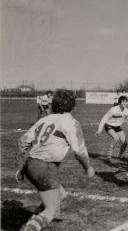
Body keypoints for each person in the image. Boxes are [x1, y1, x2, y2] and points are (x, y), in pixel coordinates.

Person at [15, 89, 95, 231]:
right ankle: (30, 227)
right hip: (45, 167)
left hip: (31, 164)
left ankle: (35, 218)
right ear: (73, 105)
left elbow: (22, 142)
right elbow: (79, 151)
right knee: (53, 211)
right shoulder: (71, 122)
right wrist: (88, 167)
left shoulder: (44, 120)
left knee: (61, 194)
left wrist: (21, 167)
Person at [96, 96, 128, 162]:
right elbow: (104, 119)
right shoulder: (113, 109)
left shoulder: (127, 111)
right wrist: (99, 130)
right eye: (123, 102)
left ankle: (120, 156)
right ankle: (108, 156)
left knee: (125, 143)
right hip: (109, 125)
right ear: (119, 103)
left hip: (117, 127)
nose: (125, 103)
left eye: (126, 101)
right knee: (116, 138)